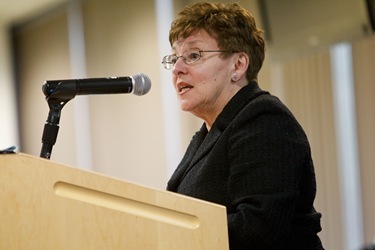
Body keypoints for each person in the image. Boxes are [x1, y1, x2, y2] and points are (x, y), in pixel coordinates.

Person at [162, 2, 323, 249]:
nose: (177, 69)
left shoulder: (264, 120)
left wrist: (175, 235)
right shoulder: (209, 133)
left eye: (193, 55)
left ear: (238, 65)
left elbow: (257, 229)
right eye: (175, 58)